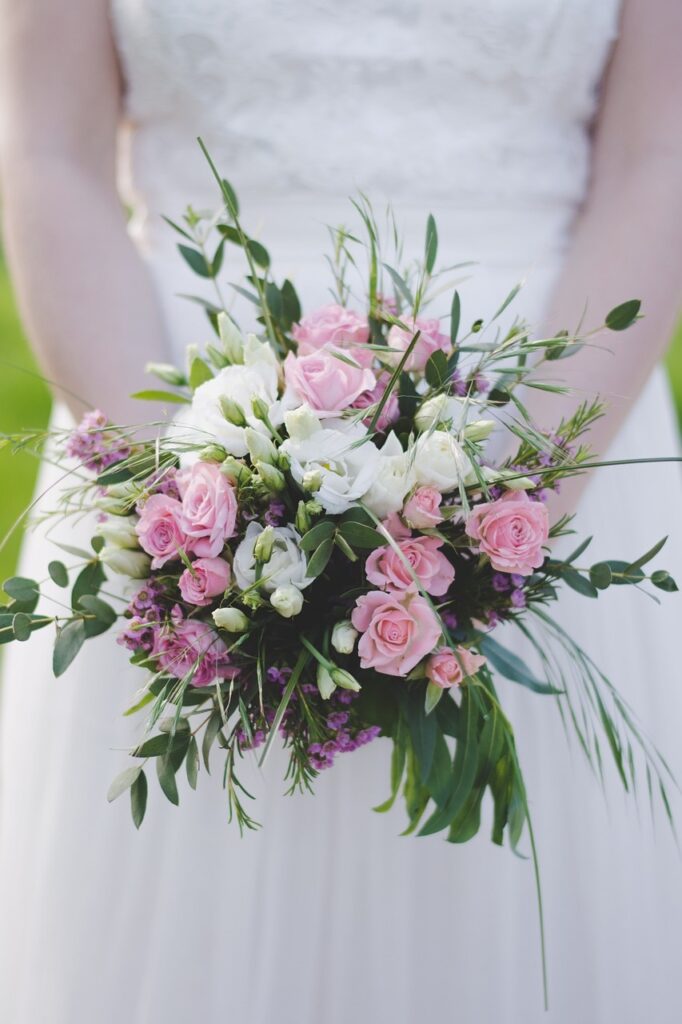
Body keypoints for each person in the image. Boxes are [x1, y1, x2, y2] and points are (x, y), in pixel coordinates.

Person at [0, 1, 681, 1021]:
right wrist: (183, 497)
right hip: (167, 392)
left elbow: (655, 158)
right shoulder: (176, 478)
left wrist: (512, 506)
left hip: (551, 407)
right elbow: (48, 147)